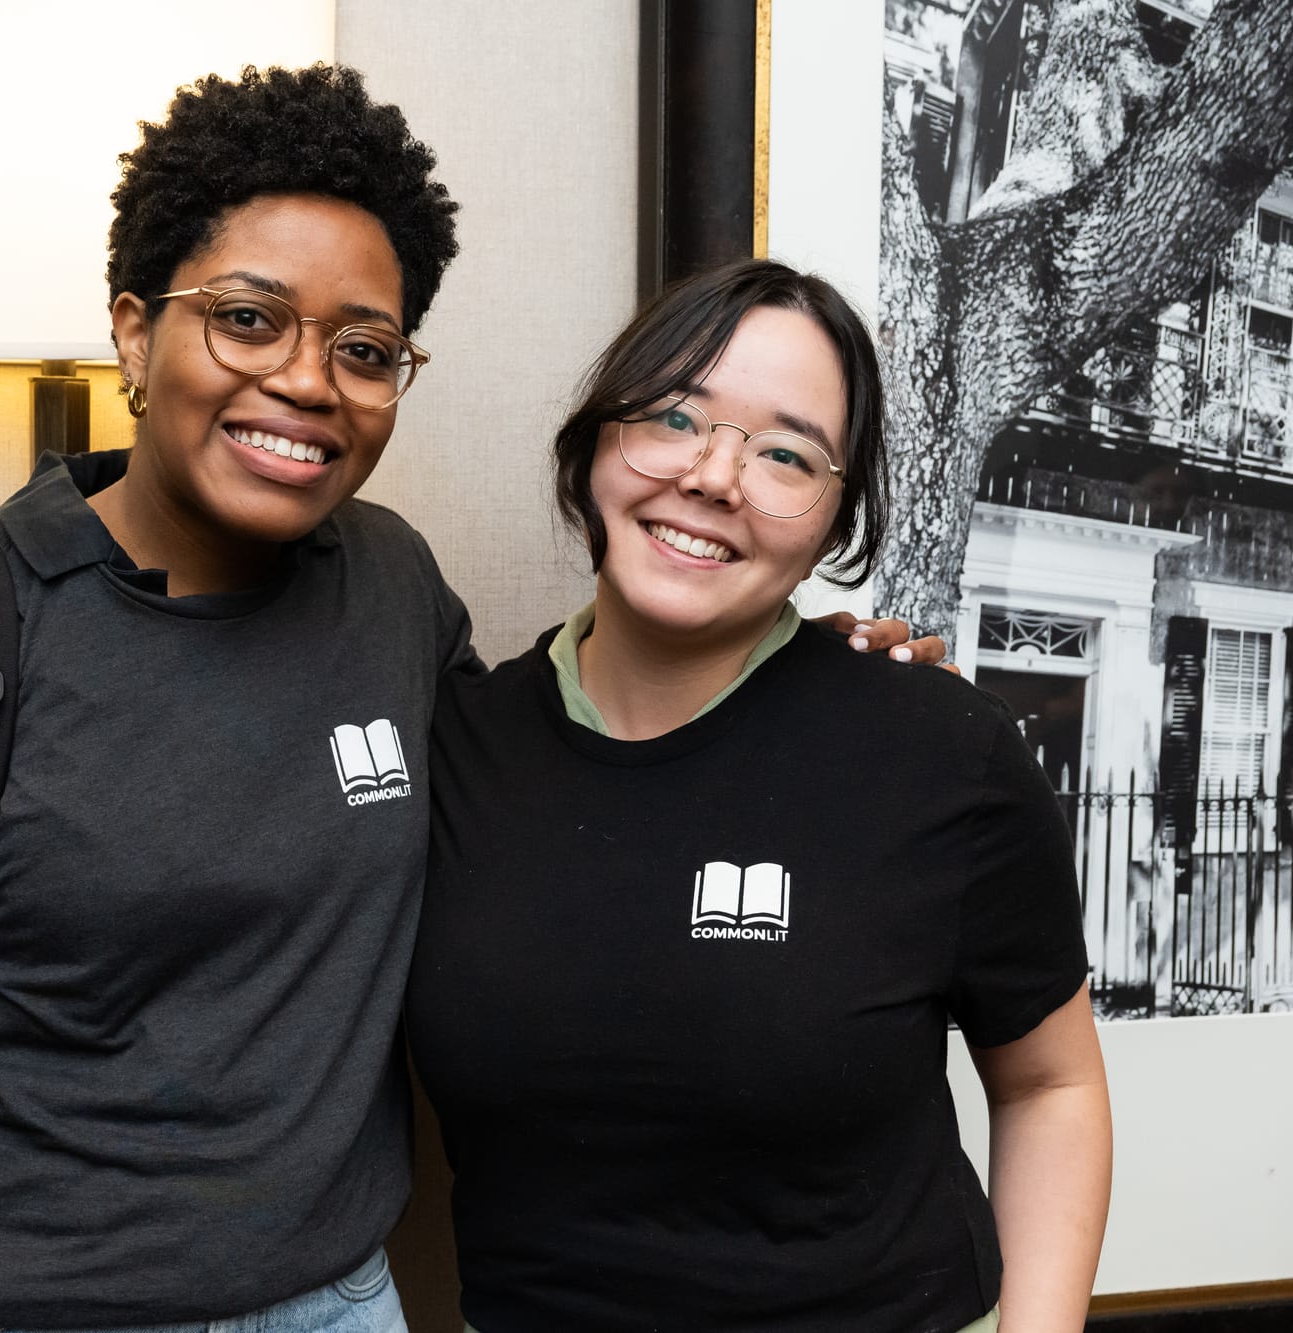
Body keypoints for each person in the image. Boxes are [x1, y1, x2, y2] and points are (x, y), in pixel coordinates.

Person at [0, 67, 937, 1333]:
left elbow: (568, 785)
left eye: (363, 349)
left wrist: (808, 679)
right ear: (133, 333)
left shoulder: (392, 589)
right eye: (248, 320)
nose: (308, 381)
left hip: (334, 1304)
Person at [406, 259, 1112, 1333]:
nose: (713, 476)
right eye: (674, 417)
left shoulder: (937, 749)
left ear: (834, 522)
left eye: (785, 453)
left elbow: (1049, 1088)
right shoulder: (453, 746)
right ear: (598, 441)